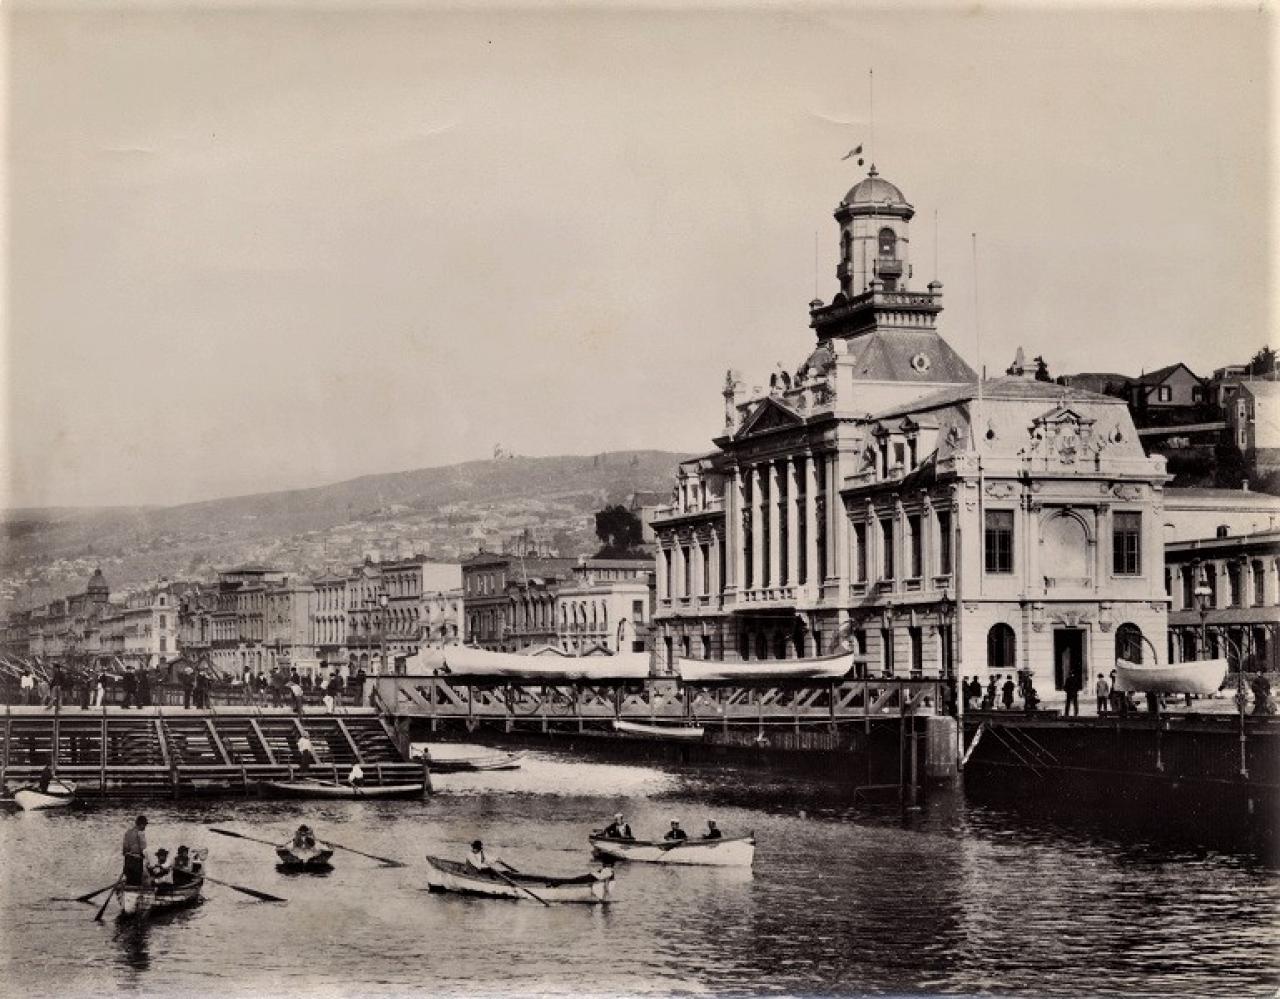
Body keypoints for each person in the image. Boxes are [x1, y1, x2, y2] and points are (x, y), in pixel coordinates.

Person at [122, 815, 148, 886]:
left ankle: (127, 894)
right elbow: (143, 848)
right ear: (141, 824)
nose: (145, 828)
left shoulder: (127, 833)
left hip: (127, 860)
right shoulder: (140, 833)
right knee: (137, 882)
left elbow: (124, 850)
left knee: (129, 881)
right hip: (136, 861)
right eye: (144, 825)